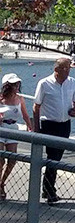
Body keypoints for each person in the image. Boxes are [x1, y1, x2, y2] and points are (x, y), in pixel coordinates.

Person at [33, 57, 75, 205]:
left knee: (57, 157)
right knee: (52, 157)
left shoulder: (72, 82)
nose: (67, 71)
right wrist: (36, 128)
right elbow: (36, 106)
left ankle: (46, 188)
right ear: (56, 69)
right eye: (65, 68)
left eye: (69, 68)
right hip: (49, 123)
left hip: (64, 124)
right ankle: (49, 191)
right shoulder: (44, 83)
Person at [0, 73, 33, 201]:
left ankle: (2, 182)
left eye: (17, 84)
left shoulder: (20, 99)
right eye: (14, 84)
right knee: (1, 160)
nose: (16, 86)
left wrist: (29, 126)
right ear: (7, 85)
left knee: (12, 159)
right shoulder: (0, 98)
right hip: (1, 129)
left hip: (13, 129)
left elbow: (25, 114)